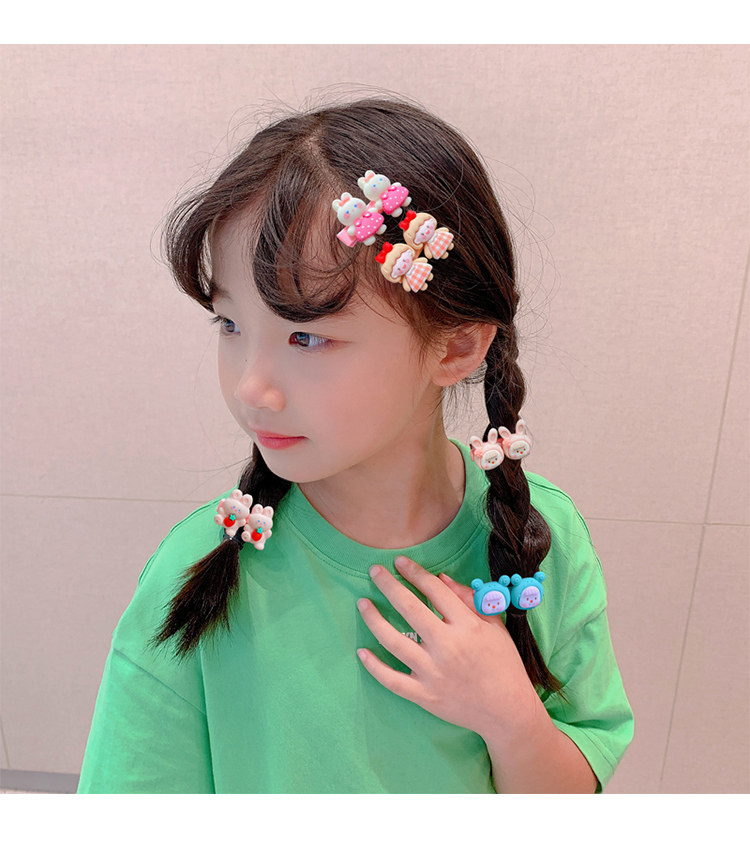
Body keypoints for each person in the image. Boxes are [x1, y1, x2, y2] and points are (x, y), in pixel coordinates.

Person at [77, 97, 634, 794]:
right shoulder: (198, 575)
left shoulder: (539, 542)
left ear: (457, 345)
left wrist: (512, 720)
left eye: (307, 337)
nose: (252, 387)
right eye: (229, 324)